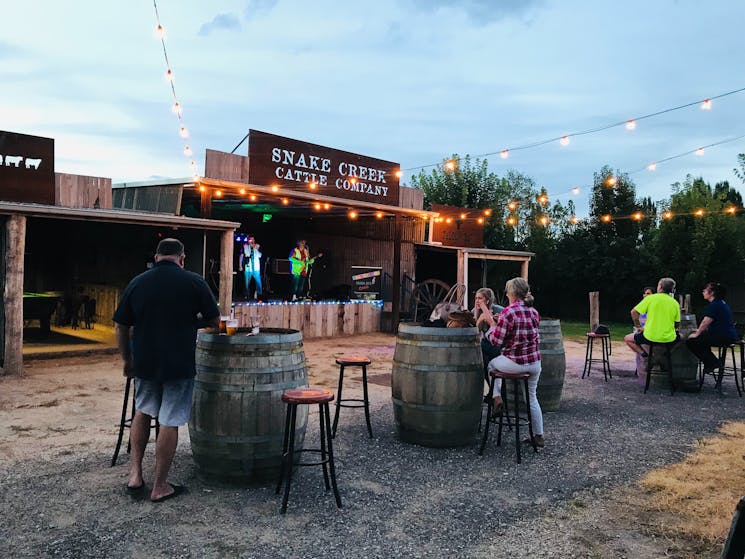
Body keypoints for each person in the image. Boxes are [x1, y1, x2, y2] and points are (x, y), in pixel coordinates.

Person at [113, 238, 220, 503]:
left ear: (157, 257)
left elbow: (120, 326)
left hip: (145, 361)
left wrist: (127, 360)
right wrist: (191, 322)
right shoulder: (194, 282)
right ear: (182, 259)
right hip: (179, 361)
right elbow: (215, 322)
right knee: (170, 420)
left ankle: (135, 475)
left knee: (143, 411)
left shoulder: (138, 282)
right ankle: (160, 485)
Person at [479, 277, 544, 448]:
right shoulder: (534, 312)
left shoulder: (509, 312)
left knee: (492, 364)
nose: (506, 293)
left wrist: (492, 325)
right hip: (535, 363)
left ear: (512, 293)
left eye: (508, 291)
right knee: (532, 398)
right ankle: (538, 435)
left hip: (516, 363)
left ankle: (496, 397)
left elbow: (496, 341)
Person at [624, 277, 680, 362]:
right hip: (668, 338)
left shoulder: (651, 298)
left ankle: (645, 355)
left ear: (660, 287)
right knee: (680, 338)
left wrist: (638, 326)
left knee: (627, 338)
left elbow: (633, 312)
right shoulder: (675, 303)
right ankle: (664, 355)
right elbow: (677, 324)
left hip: (650, 336)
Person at [685, 282, 738, 374]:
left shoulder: (714, 305)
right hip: (727, 335)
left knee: (691, 341)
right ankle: (710, 362)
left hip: (723, 336)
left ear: (712, 292)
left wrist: (697, 333)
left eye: (705, 290)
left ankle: (713, 362)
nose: (703, 292)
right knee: (702, 340)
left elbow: (706, 321)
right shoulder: (721, 303)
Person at [473, 287, 504, 375]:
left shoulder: (499, 310)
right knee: (481, 356)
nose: (477, 301)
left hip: (497, 345)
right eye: (476, 298)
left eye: (480, 298)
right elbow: (473, 333)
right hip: (483, 345)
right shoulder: (474, 311)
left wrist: (496, 320)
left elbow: (501, 331)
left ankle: (494, 383)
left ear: (487, 301)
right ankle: (487, 382)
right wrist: (479, 319)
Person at [239, 235, 262, 301]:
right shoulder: (244, 246)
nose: (251, 241)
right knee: (246, 283)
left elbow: (260, 255)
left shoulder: (257, 246)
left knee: (258, 282)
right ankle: (247, 296)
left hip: (256, 267)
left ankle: (259, 295)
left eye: (253, 240)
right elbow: (241, 256)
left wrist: (255, 249)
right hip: (248, 267)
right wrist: (240, 265)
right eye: (250, 240)